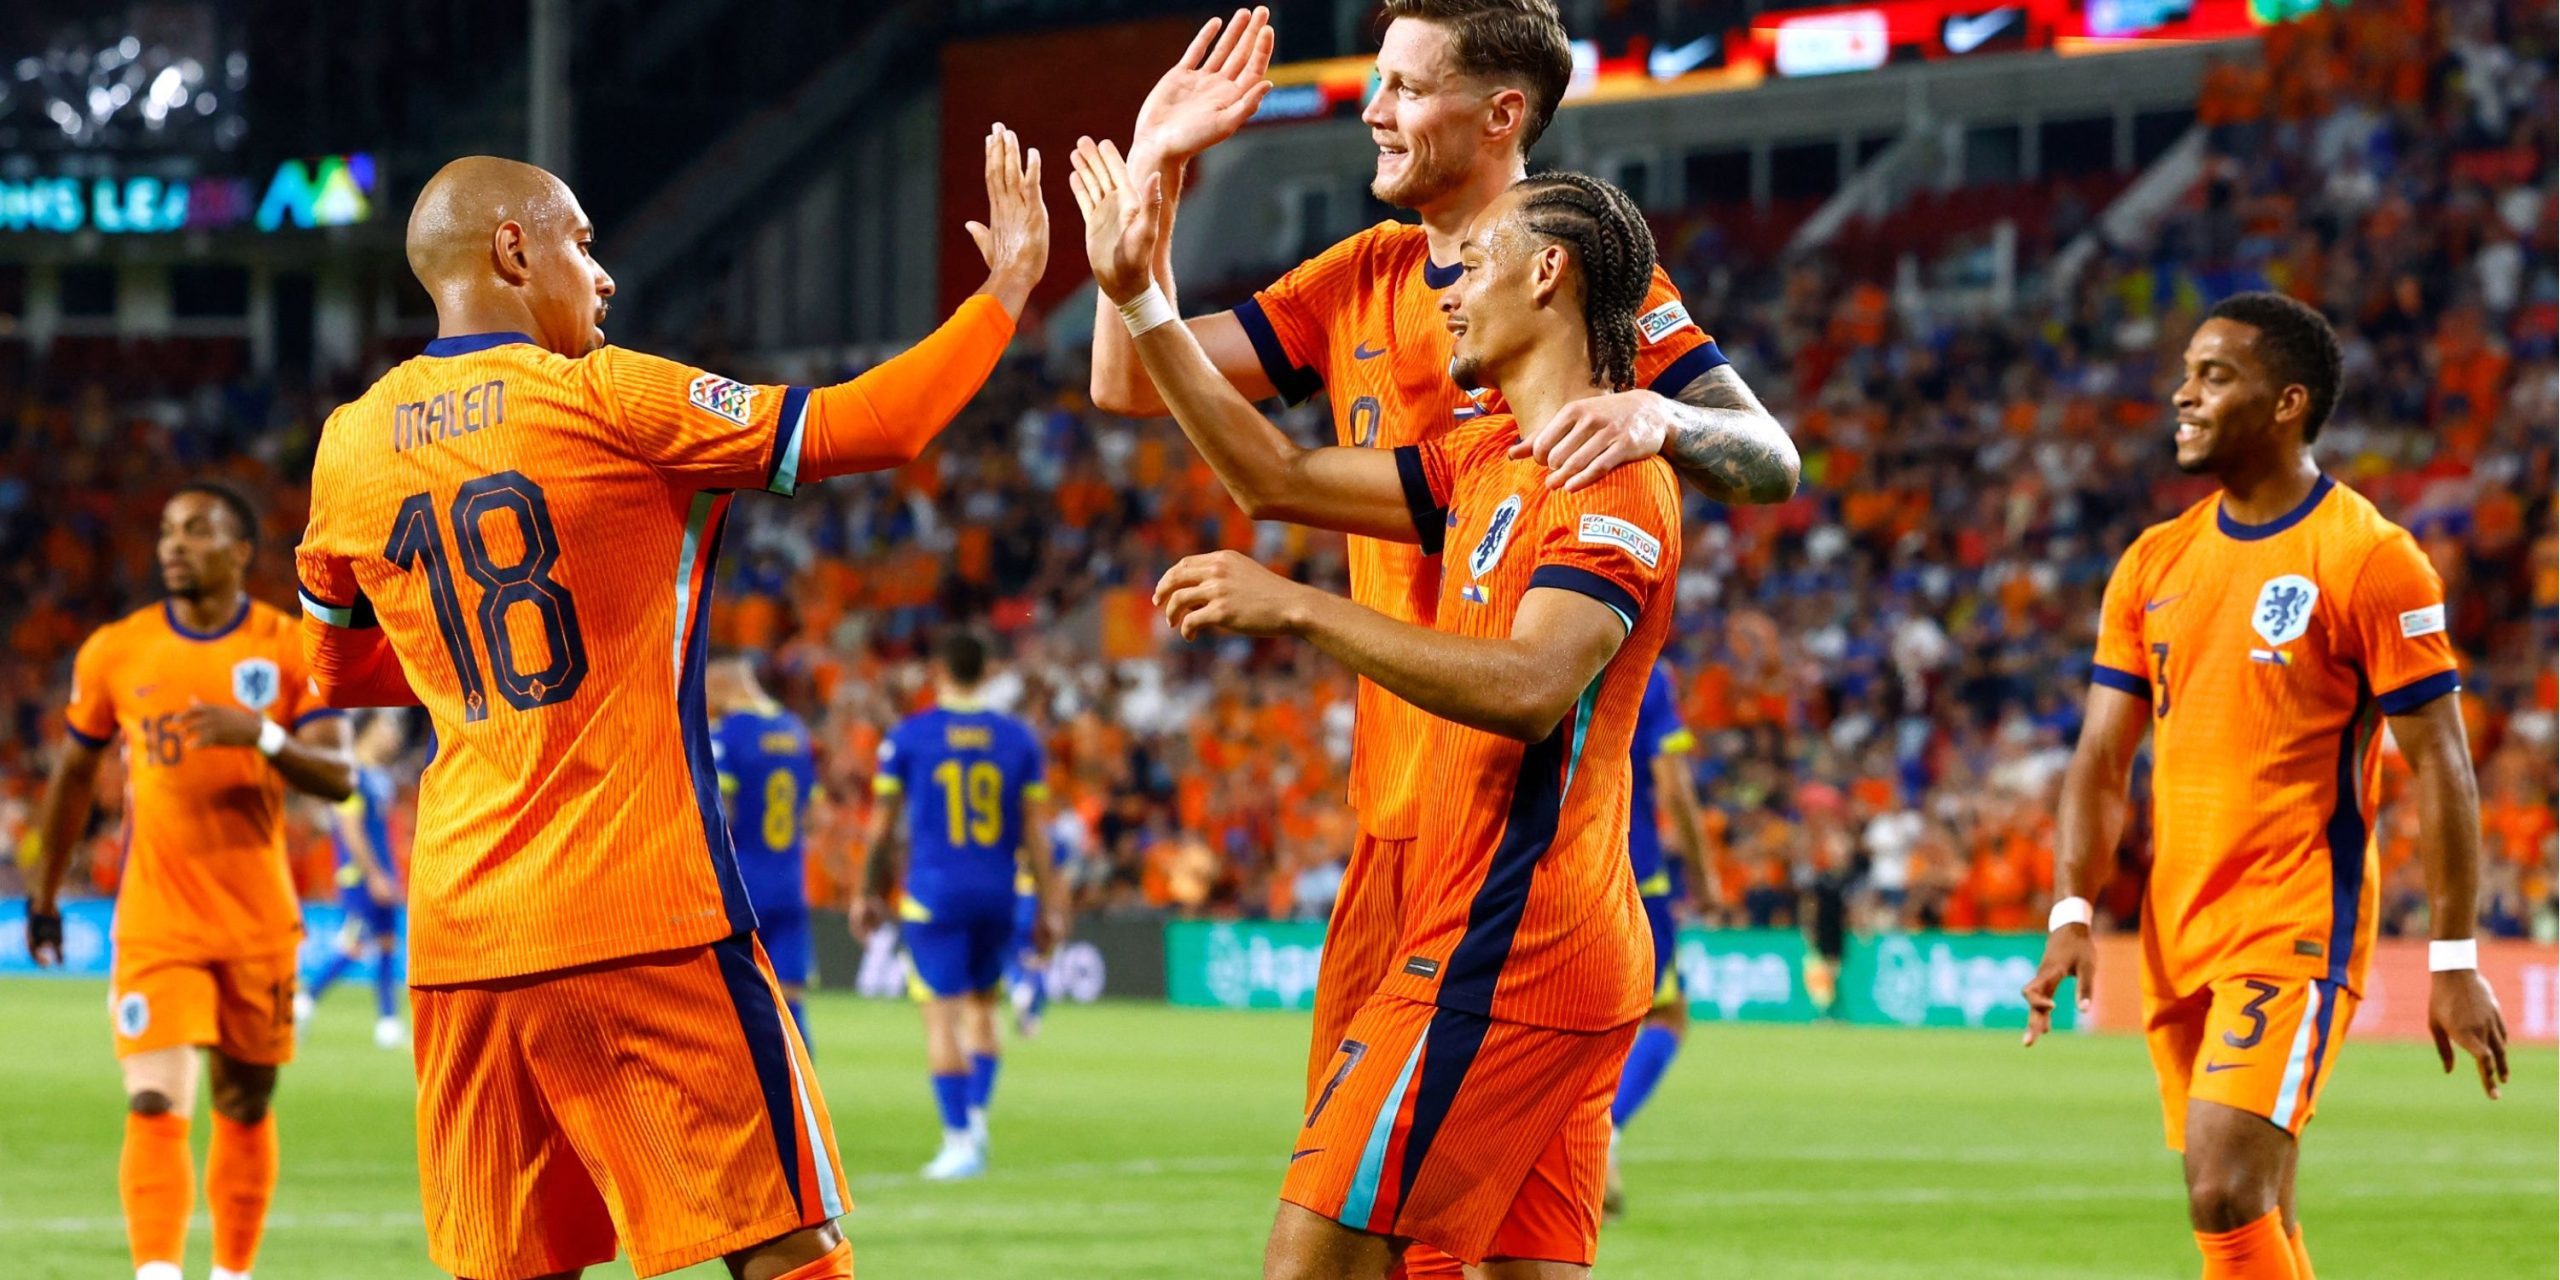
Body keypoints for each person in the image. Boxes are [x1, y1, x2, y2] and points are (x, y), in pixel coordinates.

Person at [1087, 10, 1795, 1273]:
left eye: (1405, 87)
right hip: (1404, 817)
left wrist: (1662, 419)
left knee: (1344, 1244)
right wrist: (1153, 190)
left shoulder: (1586, 289)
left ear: (1500, 113)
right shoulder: (1379, 308)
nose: (1374, 108)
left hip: (1519, 844)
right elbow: (1160, 401)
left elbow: (1768, 457)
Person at [292, 133, 1046, 1280]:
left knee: (511, 1266)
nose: (603, 278)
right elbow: (868, 427)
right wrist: (1005, 290)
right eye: (582, 245)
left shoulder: (346, 446)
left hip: (461, 934)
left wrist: (466, 659)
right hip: (639, 906)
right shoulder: (605, 394)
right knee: (788, 1246)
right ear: (513, 251)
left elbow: (339, 679)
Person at [2022, 293, 2510, 1280]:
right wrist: (2073, 908)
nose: (2183, 394)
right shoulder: (2154, 561)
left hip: (2294, 920)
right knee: (2256, 1202)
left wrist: (2454, 955)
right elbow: (2101, 758)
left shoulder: (2370, 558)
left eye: (2214, 376)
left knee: (2222, 1186)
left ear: (2288, 403)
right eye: (2186, 374)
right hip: (2177, 926)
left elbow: (2442, 764)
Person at [24, 483, 355, 1280]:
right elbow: (73, 777)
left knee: (243, 1103)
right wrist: (43, 894)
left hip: (256, 922)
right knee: (153, 1099)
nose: (174, 544)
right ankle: (158, 1272)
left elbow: (339, 775)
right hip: (156, 921)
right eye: (169, 530)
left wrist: (261, 735)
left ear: (240, 551)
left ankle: (232, 1272)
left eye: (198, 530)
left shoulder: (287, 647)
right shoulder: (117, 649)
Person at [856, 630, 1068, 1181]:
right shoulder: (1017, 739)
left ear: (938, 672)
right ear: (987, 672)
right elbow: (1035, 834)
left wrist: (866, 892)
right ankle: (975, 1122)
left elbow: (881, 830)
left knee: (941, 1019)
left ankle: (957, 1140)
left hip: (935, 897)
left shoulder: (910, 736)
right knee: (983, 1010)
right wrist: (1050, 906)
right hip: (998, 894)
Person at [1602, 659, 1713, 1219]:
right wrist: (1704, 876)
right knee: (1666, 1014)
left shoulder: (1533, 636)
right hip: (1632, 866)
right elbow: (1674, 787)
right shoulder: (1647, 669)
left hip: (1546, 861)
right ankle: (1604, 1134)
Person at [711, 651, 822, 1046]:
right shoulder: (795, 730)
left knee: (736, 1009)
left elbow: (722, 817)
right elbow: (811, 816)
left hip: (741, 893)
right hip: (790, 885)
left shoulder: (726, 737)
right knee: (792, 1005)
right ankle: (802, 1087)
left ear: (719, 680)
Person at [297, 708, 411, 1049]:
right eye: (386, 727)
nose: (393, 735)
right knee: (355, 944)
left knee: (388, 943)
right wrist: (374, 874)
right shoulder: (350, 776)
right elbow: (350, 829)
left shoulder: (380, 776)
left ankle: (388, 1022)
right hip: (360, 875)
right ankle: (303, 1000)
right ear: (369, 730)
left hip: (383, 871)